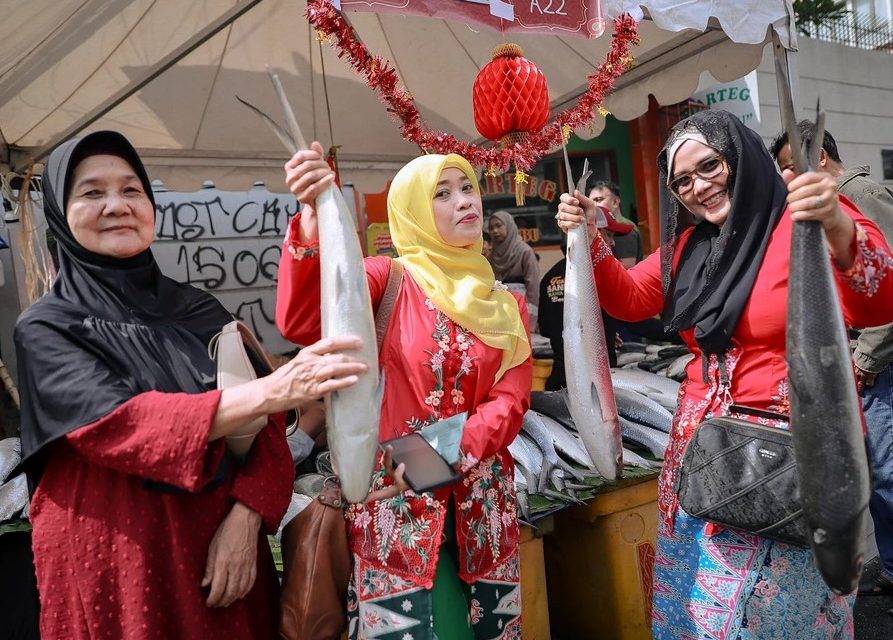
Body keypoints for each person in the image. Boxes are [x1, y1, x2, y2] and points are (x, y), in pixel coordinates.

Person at [14, 131, 369, 639]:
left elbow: (266, 433)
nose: (117, 205)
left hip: (223, 571)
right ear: (59, 213)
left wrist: (247, 521)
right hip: (118, 571)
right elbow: (120, 424)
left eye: (132, 190)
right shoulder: (48, 328)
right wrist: (279, 386)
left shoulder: (199, 311)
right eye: (92, 193)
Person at [556, 110, 893, 638]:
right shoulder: (689, 249)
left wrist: (836, 222)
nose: (698, 187)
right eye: (682, 181)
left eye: (710, 166)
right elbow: (627, 298)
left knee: (773, 621)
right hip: (700, 464)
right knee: (693, 618)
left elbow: (881, 298)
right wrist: (587, 237)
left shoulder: (803, 222)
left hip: (790, 461)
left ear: (740, 157)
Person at [277, 142, 532, 639]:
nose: (464, 202)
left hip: (483, 514)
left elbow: (510, 401)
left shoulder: (503, 302)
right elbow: (307, 319)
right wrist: (312, 217)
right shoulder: (387, 278)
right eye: (442, 193)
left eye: (467, 189)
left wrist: (429, 457)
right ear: (412, 209)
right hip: (396, 512)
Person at [771, 120, 893, 597]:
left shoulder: (858, 194)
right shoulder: (810, 209)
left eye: (789, 166)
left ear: (818, 158)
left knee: (884, 471)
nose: (786, 179)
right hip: (854, 361)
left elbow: (884, 278)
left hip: (878, 361)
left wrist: (866, 359)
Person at [538, 205, 633, 389]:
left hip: (561, 380)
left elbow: (546, 329)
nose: (612, 243)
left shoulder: (550, 276)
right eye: (609, 235)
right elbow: (635, 319)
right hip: (598, 388)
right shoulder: (600, 275)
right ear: (589, 233)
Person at [487, 210, 540, 327]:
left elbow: (533, 287)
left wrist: (530, 319)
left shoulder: (524, 251)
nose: (495, 231)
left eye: (499, 226)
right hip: (499, 309)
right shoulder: (492, 254)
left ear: (509, 226)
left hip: (521, 308)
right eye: (491, 228)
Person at [589, 180, 643, 267]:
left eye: (599, 200)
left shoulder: (622, 226)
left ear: (615, 202)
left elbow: (627, 267)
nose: (594, 205)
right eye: (591, 202)